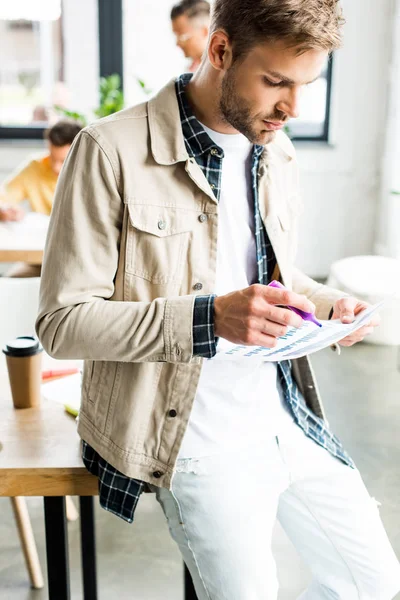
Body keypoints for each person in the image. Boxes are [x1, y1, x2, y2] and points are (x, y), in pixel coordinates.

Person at [36, 0, 400, 598]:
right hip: (194, 439)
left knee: (372, 583)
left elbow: (270, 272)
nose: (292, 108)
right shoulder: (109, 150)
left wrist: (327, 303)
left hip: (287, 413)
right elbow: (62, 322)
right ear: (221, 50)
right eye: (276, 82)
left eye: (307, 85)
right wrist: (208, 319)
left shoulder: (274, 146)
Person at [0, 119, 82, 277]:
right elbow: (3, 196)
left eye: (63, 161)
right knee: (8, 284)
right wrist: (4, 210)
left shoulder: (90, 171)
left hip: (76, 260)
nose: (56, 167)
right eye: (52, 157)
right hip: (40, 259)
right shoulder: (35, 167)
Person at [171, 0, 210, 72]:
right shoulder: (189, 72)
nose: (177, 43)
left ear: (205, 31)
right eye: (176, 35)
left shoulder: (226, 71)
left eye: (182, 36)